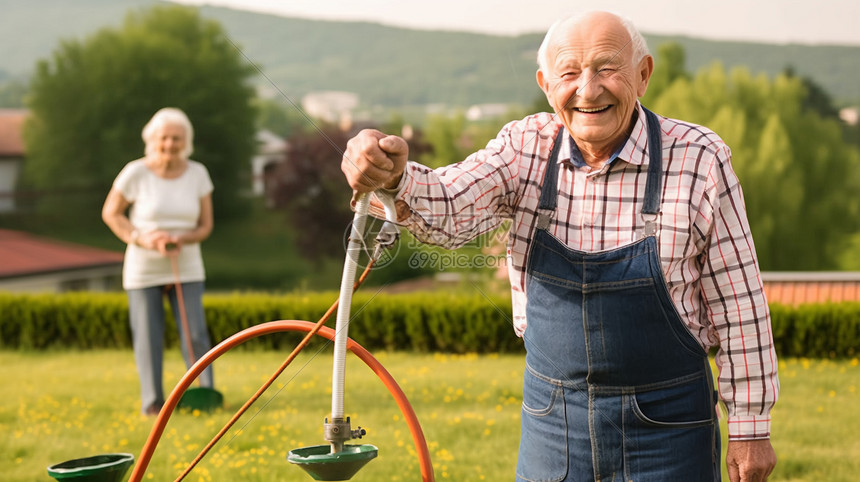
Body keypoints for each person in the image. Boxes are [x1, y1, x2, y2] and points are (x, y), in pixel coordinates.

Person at [342, 10, 778, 482]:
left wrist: (750, 428)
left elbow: (740, 304)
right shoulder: (524, 147)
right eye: (569, 73)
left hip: (669, 425)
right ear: (546, 84)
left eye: (607, 68)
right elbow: (451, 208)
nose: (588, 90)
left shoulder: (699, 159)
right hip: (553, 424)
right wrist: (396, 177)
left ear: (644, 74)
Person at [102, 107, 216, 416]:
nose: (170, 144)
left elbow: (205, 226)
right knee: (149, 337)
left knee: (195, 334)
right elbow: (111, 213)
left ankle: (204, 394)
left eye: (176, 138)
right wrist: (141, 237)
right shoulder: (135, 172)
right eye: (164, 137)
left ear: (186, 141)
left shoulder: (198, 173)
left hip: (187, 265)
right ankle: (153, 403)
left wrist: (184, 238)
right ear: (153, 139)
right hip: (143, 269)